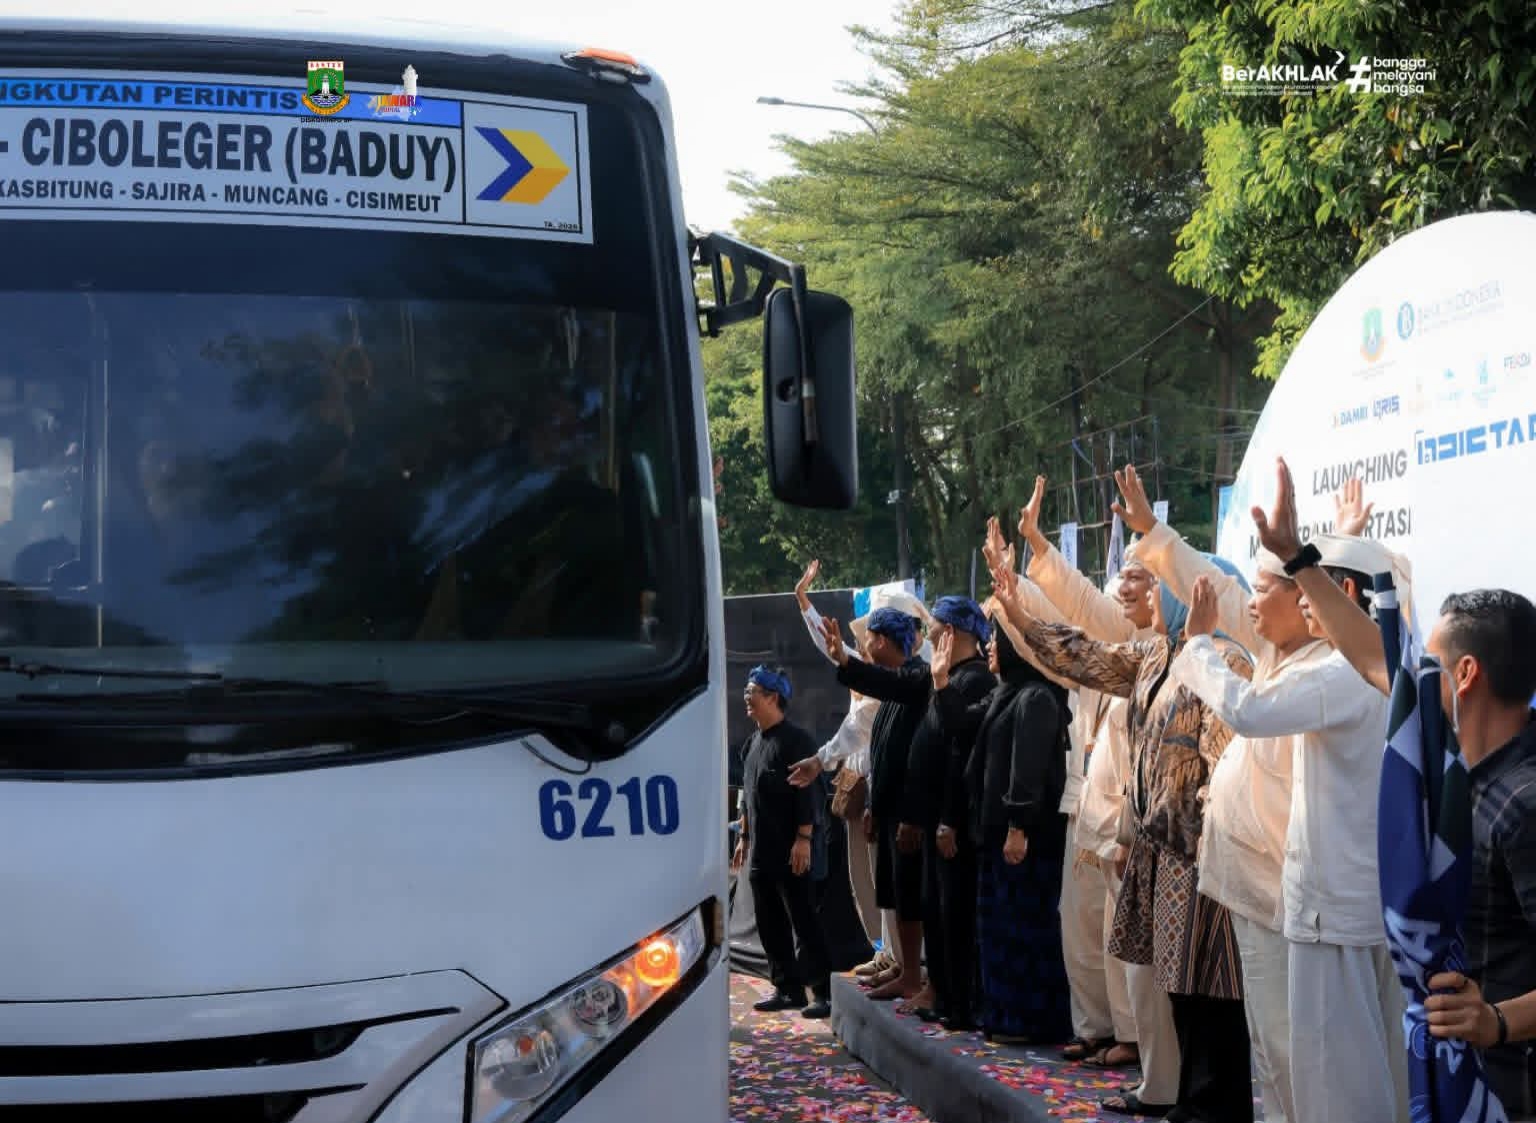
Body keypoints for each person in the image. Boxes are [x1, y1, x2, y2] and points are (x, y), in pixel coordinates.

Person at [1253, 459, 1536, 1117]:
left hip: (1509, 1091)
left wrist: (1494, 1020)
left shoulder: (1524, 800)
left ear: (1464, 674)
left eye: (1428, 662)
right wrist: (1298, 556)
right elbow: (1372, 654)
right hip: (1450, 1083)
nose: (1408, 676)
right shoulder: (1447, 764)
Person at [1119, 468, 1378, 1123]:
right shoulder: (1284, 645)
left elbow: (1248, 706)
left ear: (1318, 599)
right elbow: (1228, 594)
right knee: (1277, 1052)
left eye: (1272, 591)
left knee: (1296, 1056)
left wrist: (1199, 643)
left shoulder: (1332, 668)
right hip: (1261, 890)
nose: (1252, 605)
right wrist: (1154, 534)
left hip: (1287, 895)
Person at [993, 540, 1257, 1123]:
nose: (1140, 592)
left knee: (1212, 997)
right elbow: (1081, 656)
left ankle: (1214, 1110)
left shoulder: (1228, 662)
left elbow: (1231, 762)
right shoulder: (1154, 657)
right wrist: (1016, 613)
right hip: (1161, 856)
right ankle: (1191, 1104)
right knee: (1179, 994)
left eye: (1153, 580)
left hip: (1202, 859)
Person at [1015, 491, 1181, 1115]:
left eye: (1141, 581)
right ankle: (1102, 1033)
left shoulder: (1168, 655)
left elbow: (1080, 608)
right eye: (1124, 582)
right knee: (1083, 932)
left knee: (1128, 949)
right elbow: (1059, 636)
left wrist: (1037, 554)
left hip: (1139, 828)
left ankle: (1136, 1045)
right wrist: (1014, 595)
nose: (1127, 593)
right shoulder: (1123, 655)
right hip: (1091, 811)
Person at [934, 604, 1073, 1043]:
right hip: (996, 836)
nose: (990, 645)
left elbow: (1027, 769)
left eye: (999, 638)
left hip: (1024, 839)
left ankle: (1029, 1021)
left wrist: (1018, 825)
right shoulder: (1006, 693)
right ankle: (1002, 1014)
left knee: (1024, 931)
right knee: (997, 931)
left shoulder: (1036, 697)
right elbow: (960, 723)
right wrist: (940, 682)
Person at [821, 605, 929, 1001]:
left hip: (911, 814)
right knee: (895, 897)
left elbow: (917, 756)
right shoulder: (896, 686)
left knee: (912, 899)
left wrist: (844, 661)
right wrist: (874, 808)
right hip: (889, 811)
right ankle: (904, 969)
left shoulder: (917, 677)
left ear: (882, 641)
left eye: (868, 639)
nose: (865, 646)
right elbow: (880, 749)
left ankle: (916, 975)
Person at [787, 559, 882, 948]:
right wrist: (802, 599)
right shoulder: (861, 667)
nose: (862, 643)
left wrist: (820, 759)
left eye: (869, 636)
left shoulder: (892, 679)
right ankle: (881, 947)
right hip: (854, 786)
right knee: (860, 875)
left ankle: (897, 954)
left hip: (879, 788)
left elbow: (854, 730)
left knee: (881, 877)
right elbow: (830, 646)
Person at [732, 665, 834, 1020]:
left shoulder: (796, 740)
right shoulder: (753, 742)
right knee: (769, 922)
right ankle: (787, 988)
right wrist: (743, 836)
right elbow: (747, 794)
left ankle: (822, 992)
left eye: (752, 692)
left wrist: (804, 838)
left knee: (804, 920)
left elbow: (806, 795)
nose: (746, 698)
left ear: (773, 697)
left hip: (793, 849)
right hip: (761, 849)